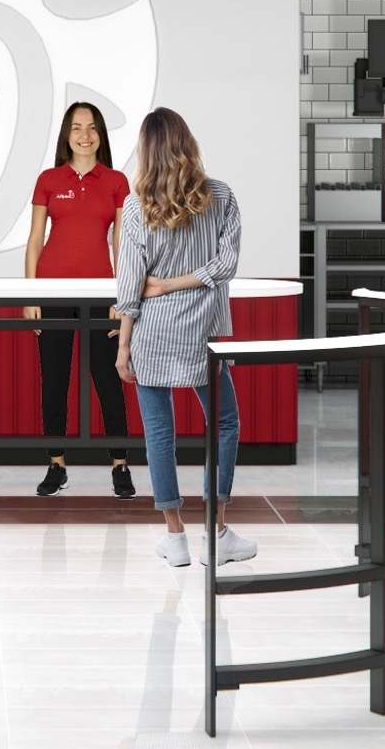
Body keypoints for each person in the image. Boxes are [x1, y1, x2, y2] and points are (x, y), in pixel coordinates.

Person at [114, 107, 255, 567]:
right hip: (201, 334)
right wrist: (183, 283)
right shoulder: (221, 196)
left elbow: (130, 285)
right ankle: (217, 532)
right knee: (224, 423)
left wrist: (123, 345)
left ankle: (175, 538)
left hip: (151, 332)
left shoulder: (135, 206)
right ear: (187, 143)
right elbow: (225, 266)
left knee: (159, 432)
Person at [23, 102, 135, 499]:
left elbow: (123, 244)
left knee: (108, 379)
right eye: (76, 127)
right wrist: (31, 294)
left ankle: (120, 465)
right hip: (52, 291)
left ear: (100, 134)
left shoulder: (117, 181)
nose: (84, 135)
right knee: (54, 379)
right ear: (66, 136)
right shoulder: (48, 179)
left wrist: (121, 296)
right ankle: (56, 464)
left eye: (91, 128)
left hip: (101, 295)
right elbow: (35, 239)